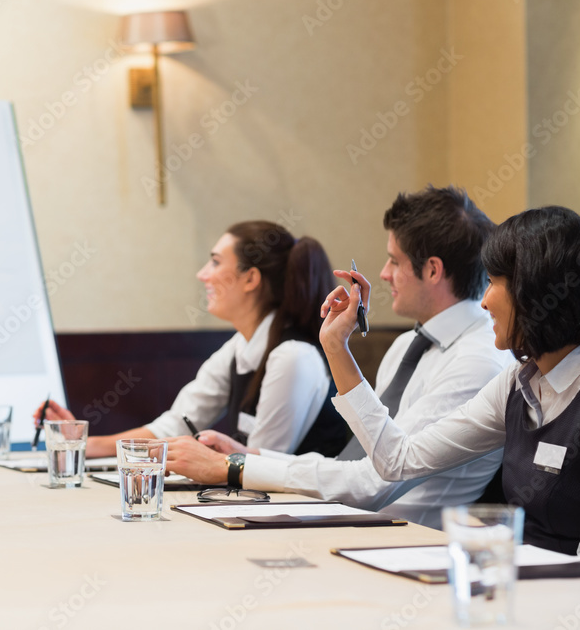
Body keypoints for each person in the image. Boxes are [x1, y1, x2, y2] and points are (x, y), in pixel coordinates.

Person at [166, 186, 513, 528]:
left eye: (394, 260)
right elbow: (357, 464)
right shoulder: (408, 344)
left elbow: (374, 483)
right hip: (355, 522)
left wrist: (235, 467)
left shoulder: (478, 361)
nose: (383, 273)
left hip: (407, 539)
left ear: (433, 270)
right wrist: (248, 457)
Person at [321, 205, 580, 564]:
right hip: (516, 587)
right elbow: (397, 460)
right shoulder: (517, 383)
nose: (484, 301)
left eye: (495, 283)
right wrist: (336, 347)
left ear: (535, 290)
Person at [38, 220, 346, 458]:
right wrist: (79, 442)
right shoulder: (239, 347)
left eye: (214, 262)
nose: (203, 275)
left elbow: (260, 466)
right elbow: (176, 426)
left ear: (251, 278)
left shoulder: (293, 357)